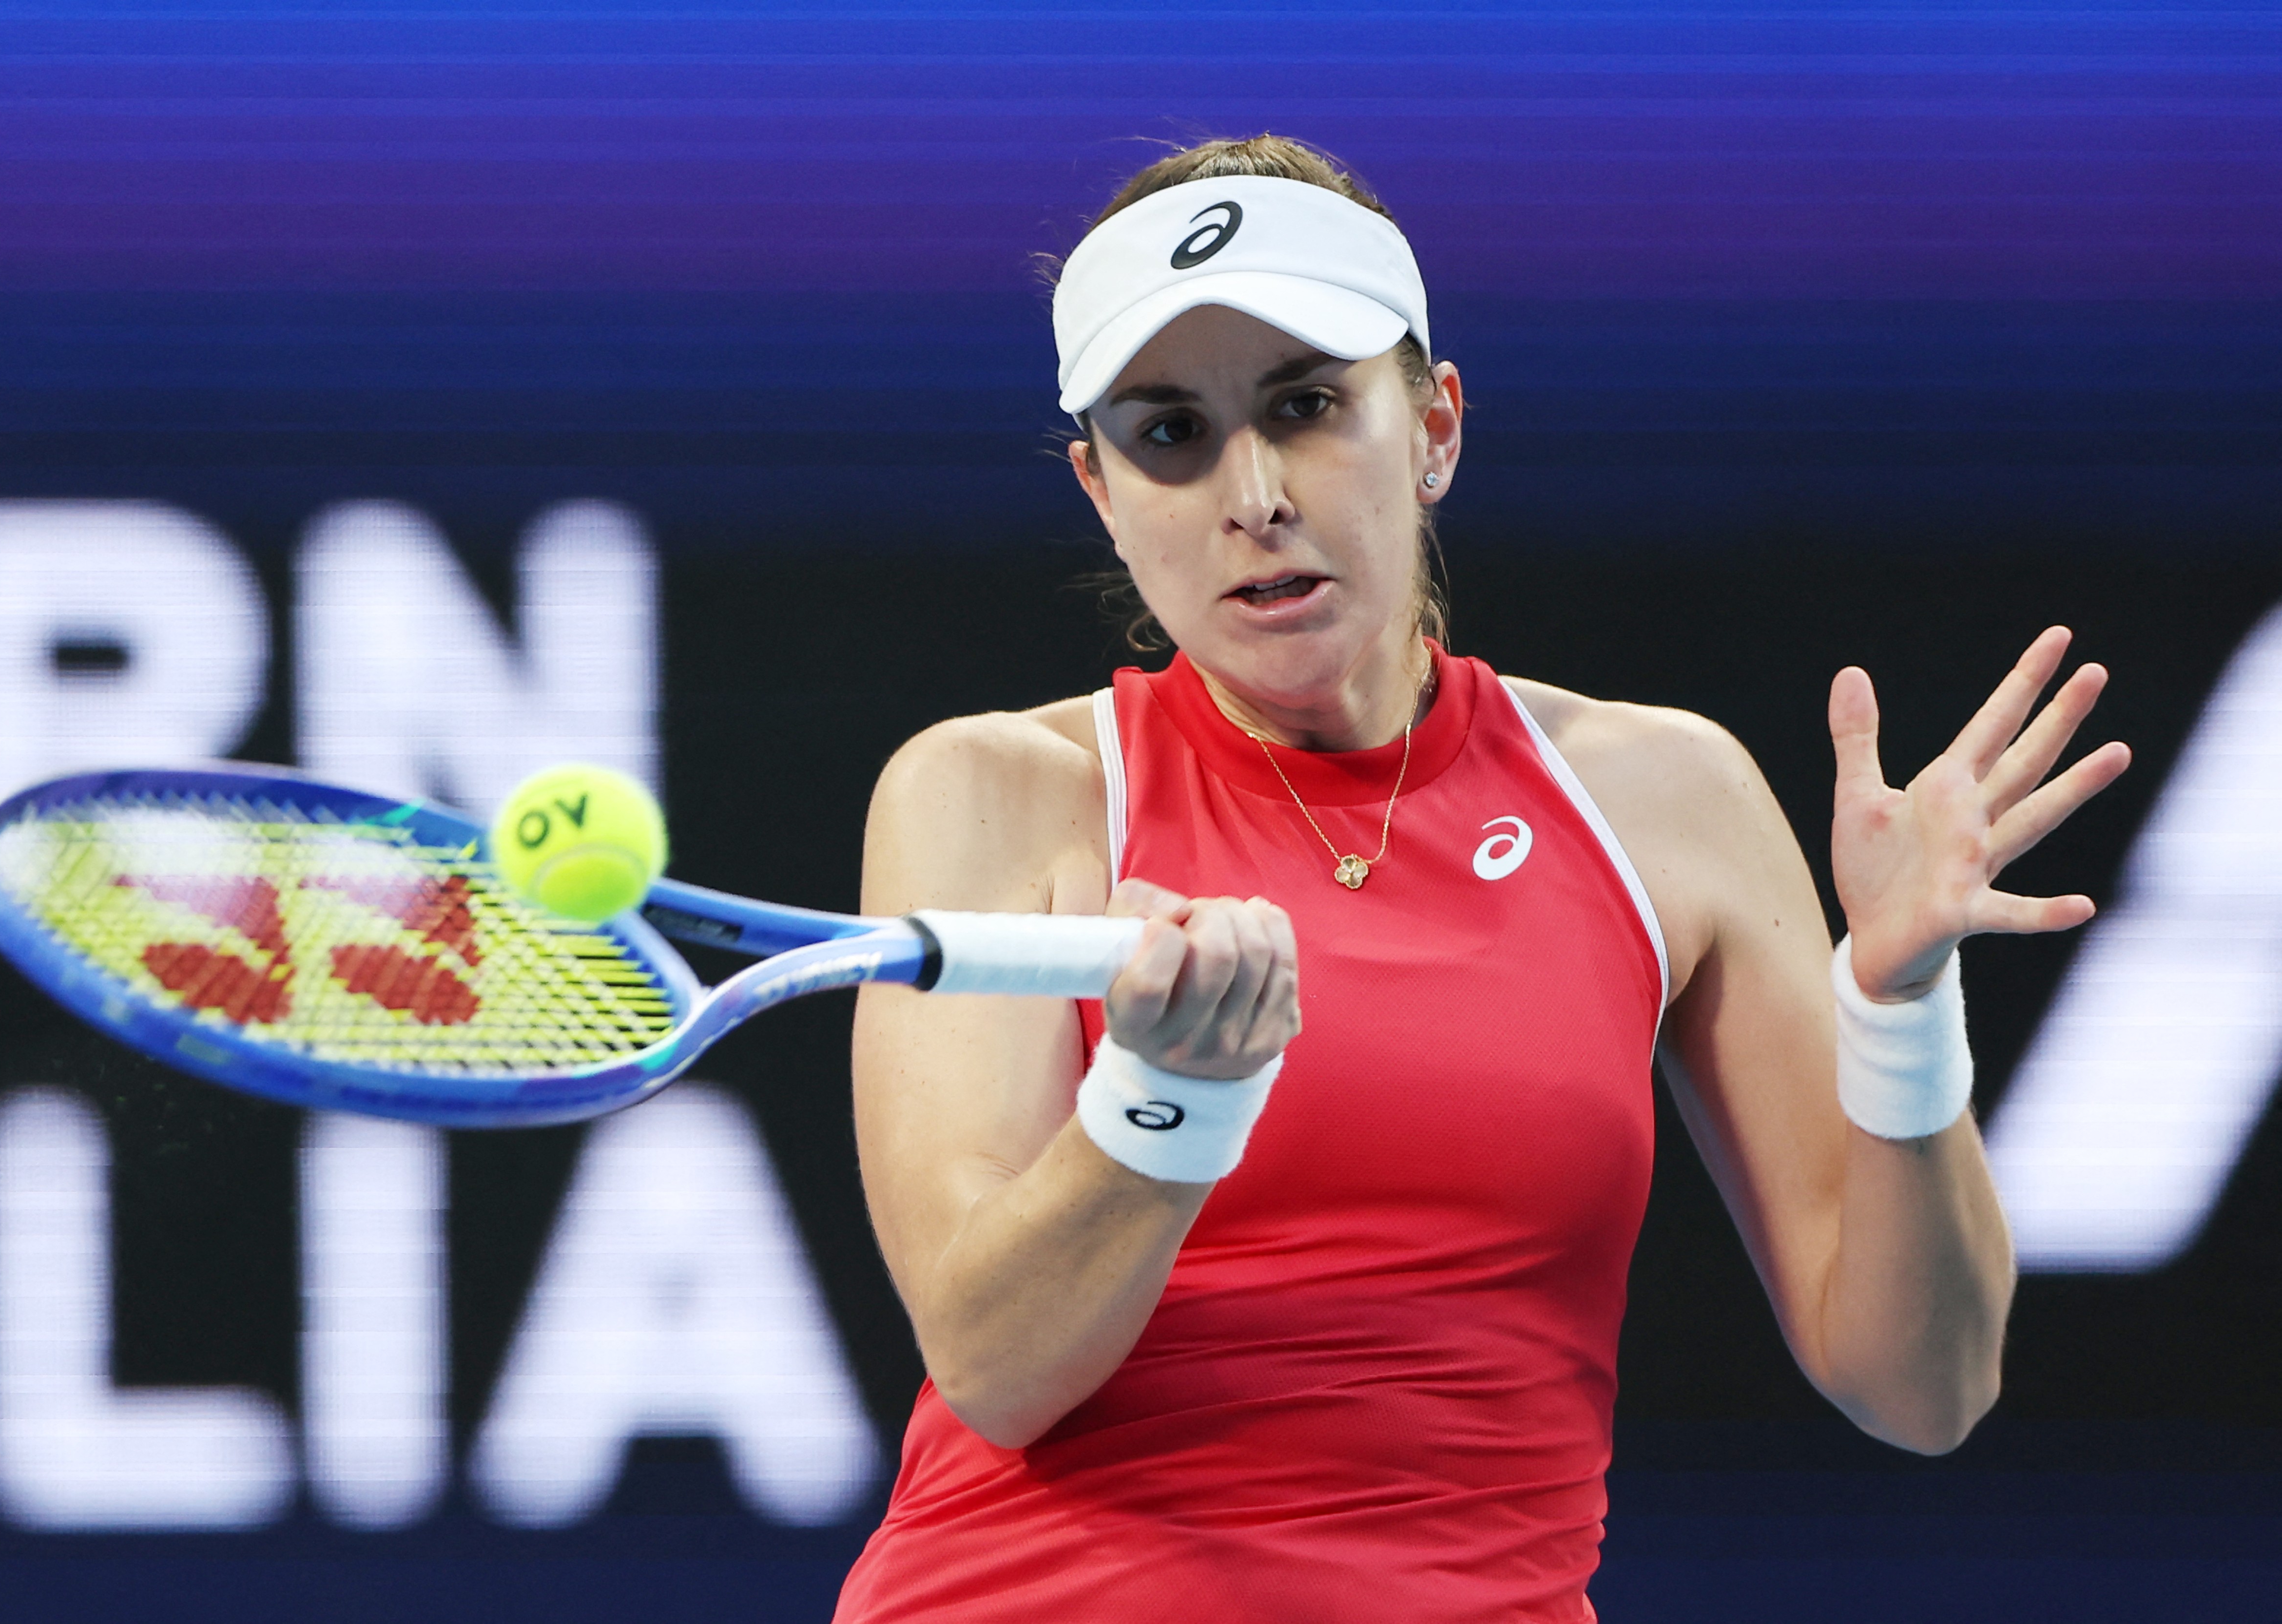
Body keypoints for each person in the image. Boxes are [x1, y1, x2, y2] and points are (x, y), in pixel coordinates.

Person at [832, 136, 2129, 1623]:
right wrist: (1169, 1101)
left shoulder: (1667, 797)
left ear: (1435, 425)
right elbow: (995, 1367)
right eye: (1170, 435)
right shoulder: (996, 795)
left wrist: (1899, 1011)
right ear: (1103, 495)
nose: (1251, 491)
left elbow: (1926, 1387)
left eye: (1308, 406)